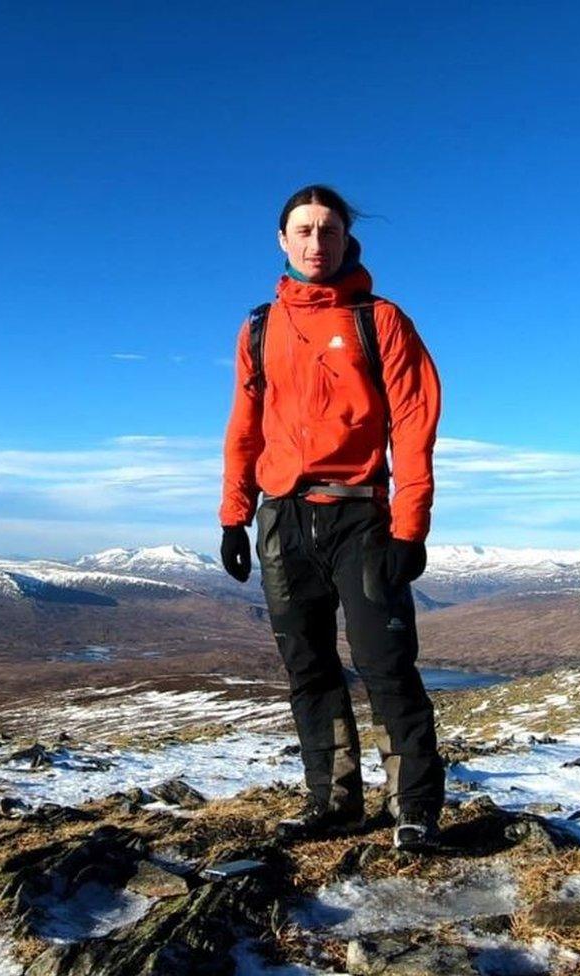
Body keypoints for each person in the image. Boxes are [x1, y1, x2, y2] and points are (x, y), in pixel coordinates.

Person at [219, 184, 444, 851]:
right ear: (283, 242)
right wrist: (234, 515)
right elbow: (244, 424)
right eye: (304, 231)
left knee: (385, 663)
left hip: (360, 518)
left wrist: (411, 525)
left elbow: (414, 424)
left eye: (329, 230)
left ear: (349, 240)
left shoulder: (382, 320)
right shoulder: (259, 328)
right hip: (283, 518)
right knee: (308, 666)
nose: (318, 242)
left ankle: (415, 811)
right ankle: (334, 801)